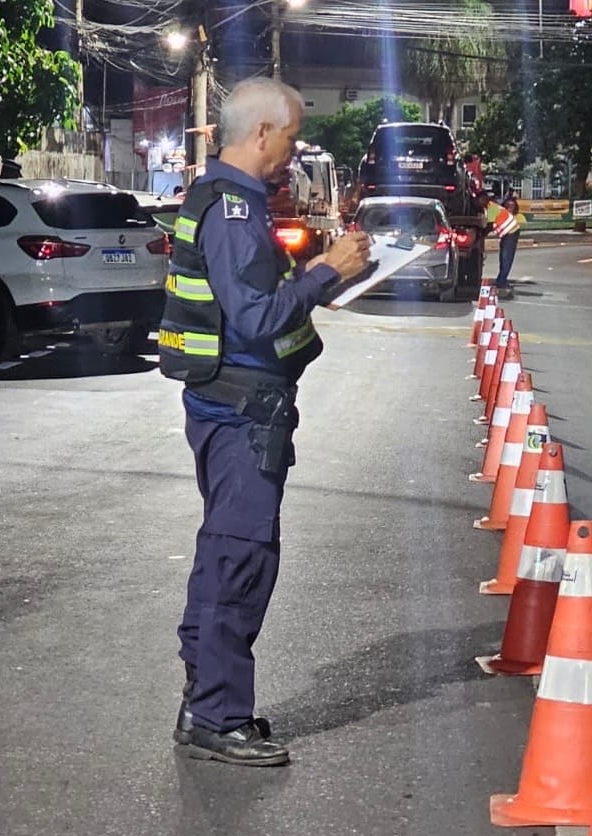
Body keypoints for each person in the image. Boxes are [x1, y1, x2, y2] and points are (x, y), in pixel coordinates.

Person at [158, 76, 371, 766]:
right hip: (241, 412)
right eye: (290, 135)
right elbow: (253, 317)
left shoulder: (229, 201)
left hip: (234, 406)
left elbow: (248, 305)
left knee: (226, 550)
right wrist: (323, 273)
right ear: (260, 134)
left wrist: (312, 282)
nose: (293, 149)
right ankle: (218, 713)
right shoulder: (233, 212)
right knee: (239, 554)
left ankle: (206, 697)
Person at [477, 191, 521, 300]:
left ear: (485, 200)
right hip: (507, 233)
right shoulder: (489, 207)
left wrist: (481, 235)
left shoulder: (491, 207)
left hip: (511, 231)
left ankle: (501, 281)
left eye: (480, 200)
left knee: (506, 257)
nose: (478, 202)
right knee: (503, 256)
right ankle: (502, 279)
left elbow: (489, 226)